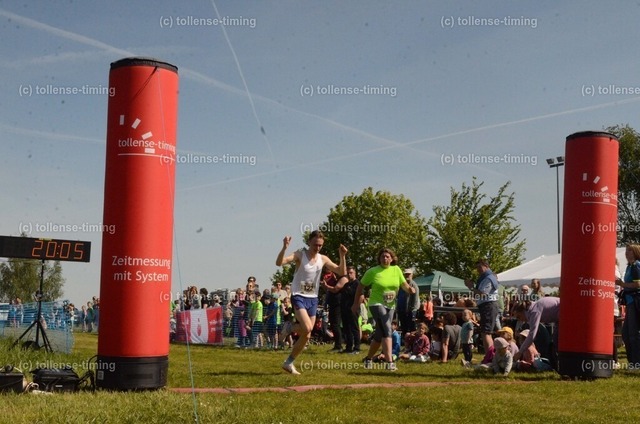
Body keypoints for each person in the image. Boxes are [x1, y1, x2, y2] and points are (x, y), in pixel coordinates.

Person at [276, 231, 348, 375]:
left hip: (313, 298)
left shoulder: (323, 259)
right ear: (309, 242)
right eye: (315, 244)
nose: (317, 248)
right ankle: (289, 327)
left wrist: (342, 256)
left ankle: (289, 362)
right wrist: (284, 248)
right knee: (308, 327)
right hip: (299, 295)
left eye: (320, 245)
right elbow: (279, 263)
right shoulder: (300, 255)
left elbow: (341, 272)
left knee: (307, 334)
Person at [352, 248, 416, 371]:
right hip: (376, 303)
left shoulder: (396, 270)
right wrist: (356, 303)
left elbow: (403, 284)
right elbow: (361, 286)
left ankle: (368, 359)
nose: (385, 258)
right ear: (379, 259)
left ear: (392, 259)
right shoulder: (373, 271)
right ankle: (389, 362)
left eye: (387, 256)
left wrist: (410, 289)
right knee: (387, 329)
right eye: (383, 256)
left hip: (390, 305)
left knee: (379, 333)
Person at [513, 296, 560, 369]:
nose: (520, 320)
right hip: (560, 318)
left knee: (557, 342)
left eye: (519, 317)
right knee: (555, 341)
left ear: (523, 311)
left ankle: (561, 366)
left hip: (565, 313)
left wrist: (520, 352)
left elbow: (532, 335)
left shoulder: (534, 312)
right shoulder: (534, 308)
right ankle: (558, 366)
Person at [464, 259, 499, 354]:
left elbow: (483, 294)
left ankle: (490, 357)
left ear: (486, 266)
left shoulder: (488, 278)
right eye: (477, 267)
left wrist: (471, 287)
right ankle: (490, 356)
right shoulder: (485, 278)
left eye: (480, 267)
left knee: (486, 333)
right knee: (485, 333)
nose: (478, 269)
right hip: (486, 306)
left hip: (489, 306)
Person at [324, 266, 361, 353]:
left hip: (353, 309)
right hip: (345, 309)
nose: (349, 274)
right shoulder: (346, 284)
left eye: (351, 273)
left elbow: (361, 296)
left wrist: (356, 306)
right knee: (346, 328)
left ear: (355, 273)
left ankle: (357, 348)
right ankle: (348, 347)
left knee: (354, 328)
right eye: (348, 273)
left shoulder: (357, 284)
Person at [615, 244, 640, 369]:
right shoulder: (630, 266)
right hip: (630, 302)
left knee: (633, 334)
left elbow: (638, 284)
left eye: (629, 250)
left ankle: (636, 362)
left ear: (635, 252)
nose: (627, 252)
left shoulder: (636, 266)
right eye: (626, 250)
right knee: (626, 334)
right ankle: (633, 362)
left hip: (635, 301)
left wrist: (622, 284)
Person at [322, 268, 343, 352]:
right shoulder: (326, 276)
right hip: (331, 302)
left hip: (337, 303)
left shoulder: (337, 277)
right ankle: (337, 344)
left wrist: (326, 285)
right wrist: (325, 285)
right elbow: (327, 289)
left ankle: (339, 346)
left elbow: (335, 289)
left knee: (335, 324)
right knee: (333, 324)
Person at [396, 268, 420, 336]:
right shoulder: (402, 285)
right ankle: (404, 340)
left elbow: (415, 299)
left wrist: (412, 310)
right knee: (403, 327)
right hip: (401, 310)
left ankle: (411, 341)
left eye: (409, 274)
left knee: (411, 328)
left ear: (412, 275)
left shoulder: (414, 285)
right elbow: (398, 296)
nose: (407, 275)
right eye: (406, 274)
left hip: (410, 311)